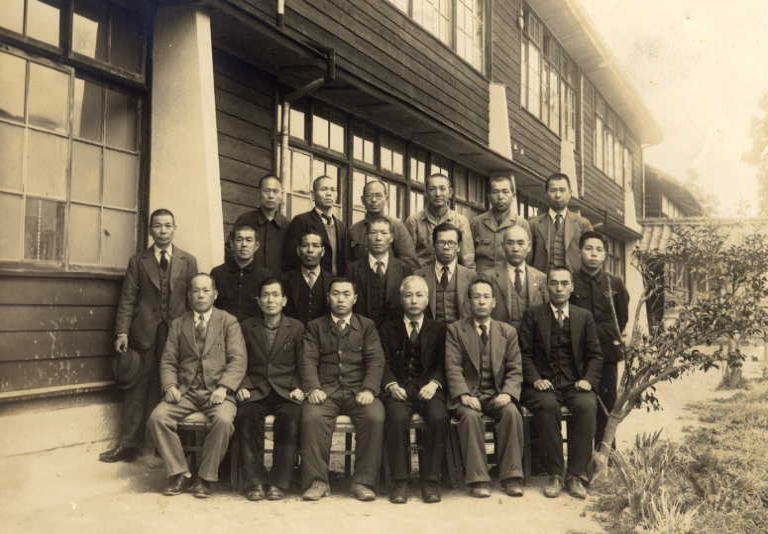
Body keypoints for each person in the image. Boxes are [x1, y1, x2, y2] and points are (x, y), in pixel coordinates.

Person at [100, 209, 198, 463]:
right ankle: (128, 445)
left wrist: (194, 332)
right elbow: (128, 298)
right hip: (143, 332)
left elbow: (193, 300)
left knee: (171, 385)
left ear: (174, 228)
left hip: (175, 333)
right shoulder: (138, 261)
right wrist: (122, 332)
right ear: (151, 230)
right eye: (158, 226)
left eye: (167, 225)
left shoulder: (188, 261)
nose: (163, 230)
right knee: (137, 386)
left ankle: (164, 446)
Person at [147, 274, 246, 498]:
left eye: (205, 290)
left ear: (215, 294)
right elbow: (169, 360)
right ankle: (180, 472)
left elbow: (238, 360)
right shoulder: (178, 324)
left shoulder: (228, 321)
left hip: (217, 392)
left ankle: (205, 477)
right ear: (189, 295)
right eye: (195, 291)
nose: (200, 295)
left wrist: (223, 387)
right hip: (186, 392)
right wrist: (170, 386)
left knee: (223, 421)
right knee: (157, 418)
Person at [519, 267, 603, 499]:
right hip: (543, 384)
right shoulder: (533, 315)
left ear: (572, 287)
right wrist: (536, 379)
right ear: (546, 287)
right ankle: (555, 474)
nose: (559, 288)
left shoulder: (583, 316)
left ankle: (575, 475)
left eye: (564, 283)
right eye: (554, 283)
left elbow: (596, 355)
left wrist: (587, 380)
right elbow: (524, 354)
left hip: (575, 383)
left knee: (587, 405)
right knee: (547, 407)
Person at [299, 278, 386, 502]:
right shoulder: (315, 326)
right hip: (326, 391)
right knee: (312, 417)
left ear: (354, 299)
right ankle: (317, 482)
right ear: (328, 298)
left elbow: (376, 360)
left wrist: (369, 389)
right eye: (336, 294)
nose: (340, 299)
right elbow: (307, 359)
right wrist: (313, 388)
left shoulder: (367, 326)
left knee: (375, 416)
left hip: (358, 390)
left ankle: (363, 482)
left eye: (346, 294)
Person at [445, 278, 526, 498]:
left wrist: (507, 393)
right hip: (468, 396)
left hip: (497, 393)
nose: (481, 301)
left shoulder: (507, 332)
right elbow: (452, 367)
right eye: (476, 297)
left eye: (486, 297)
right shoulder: (455, 330)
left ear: (494, 302)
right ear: (468, 302)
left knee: (511, 413)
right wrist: (463, 394)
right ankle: (478, 479)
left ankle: (511, 477)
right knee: (470, 417)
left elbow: (515, 368)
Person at [379, 275, 448, 504]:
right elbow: (381, 362)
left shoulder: (439, 329)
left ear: (427, 300)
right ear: (401, 299)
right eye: (408, 295)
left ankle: (431, 481)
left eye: (419, 295)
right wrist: (391, 384)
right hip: (399, 388)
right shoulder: (387, 328)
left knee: (438, 417)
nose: (414, 300)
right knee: (396, 418)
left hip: (428, 388)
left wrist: (434, 383)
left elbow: (444, 363)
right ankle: (400, 481)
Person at [235, 278, 305, 501]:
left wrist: (299, 386)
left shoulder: (296, 328)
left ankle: (279, 482)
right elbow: (238, 360)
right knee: (246, 416)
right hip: (256, 389)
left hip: (286, 390)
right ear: (258, 300)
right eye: (265, 295)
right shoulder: (247, 326)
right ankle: (254, 482)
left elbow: (304, 362)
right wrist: (243, 385)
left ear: (284, 300)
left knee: (290, 419)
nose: (270, 300)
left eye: (275, 295)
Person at [571, 231, 629, 448]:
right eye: (588, 248)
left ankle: (604, 453)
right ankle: (582, 454)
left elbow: (621, 318)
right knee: (581, 403)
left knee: (607, 403)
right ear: (580, 252)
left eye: (598, 250)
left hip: (606, 354)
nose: (593, 254)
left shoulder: (614, 284)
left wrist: (604, 336)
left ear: (605, 255)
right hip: (578, 353)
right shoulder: (571, 281)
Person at [347, 216, 413, 324]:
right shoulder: (352, 270)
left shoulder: (404, 270)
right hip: (361, 330)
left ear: (391, 238)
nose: (378, 238)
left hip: (394, 331)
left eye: (384, 233)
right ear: (367, 237)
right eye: (373, 233)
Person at [405, 173, 475, 269]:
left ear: (450, 192)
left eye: (442, 189)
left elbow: (467, 260)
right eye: (432, 189)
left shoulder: (461, 221)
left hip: (452, 275)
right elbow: (408, 259)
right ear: (425, 193)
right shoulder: (414, 221)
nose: (437, 194)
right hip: (422, 275)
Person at [347, 179, 419, 270]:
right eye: (369, 196)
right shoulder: (354, 230)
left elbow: (410, 263)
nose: (374, 200)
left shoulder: (397, 226)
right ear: (363, 200)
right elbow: (348, 263)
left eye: (378, 196)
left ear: (386, 199)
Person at [528, 173, 593, 273]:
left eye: (562, 190)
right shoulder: (533, 224)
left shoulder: (583, 224)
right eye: (553, 190)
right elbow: (528, 259)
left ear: (570, 193)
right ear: (546, 194)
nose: (558, 195)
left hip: (573, 280)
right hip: (542, 280)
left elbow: (589, 256)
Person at [283, 175, 347, 275]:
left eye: (333, 190)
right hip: (311, 280)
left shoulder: (341, 226)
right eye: (324, 189)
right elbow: (291, 259)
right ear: (313, 195)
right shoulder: (301, 221)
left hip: (336, 282)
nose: (329, 193)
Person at [488, 225, 547, 331]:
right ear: (503, 246)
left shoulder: (541, 278)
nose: (515, 248)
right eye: (510, 243)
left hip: (533, 336)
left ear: (529, 246)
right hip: (501, 335)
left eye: (520, 243)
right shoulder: (489, 277)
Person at [414, 222, 475, 323]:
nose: (446, 247)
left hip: (461, 331)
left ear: (458, 247)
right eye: (441, 242)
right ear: (434, 246)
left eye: (451, 243)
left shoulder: (471, 277)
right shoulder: (419, 276)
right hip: (431, 332)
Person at [470, 175, 531, 274]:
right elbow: (468, 256)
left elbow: (527, 258)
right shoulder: (477, 222)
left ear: (513, 196)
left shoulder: (522, 224)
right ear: (489, 196)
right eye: (495, 192)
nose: (500, 196)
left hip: (509, 279)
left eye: (505, 191)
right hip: (482, 279)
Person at [210, 223, 270, 322]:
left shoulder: (265, 276)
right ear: (232, 244)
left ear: (256, 246)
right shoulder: (218, 273)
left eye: (249, 240)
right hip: (223, 328)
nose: (244, 244)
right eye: (239, 240)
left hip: (253, 329)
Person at [232, 175, 289, 277]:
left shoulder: (287, 225)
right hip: (248, 280)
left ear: (281, 195)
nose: (271, 196)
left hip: (277, 283)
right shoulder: (245, 220)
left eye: (275, 191)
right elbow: (231, 250)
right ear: (259, 193)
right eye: (267, 191)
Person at [281, 231, 332, 324]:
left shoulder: (332, 281)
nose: (310, 250)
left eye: (315, 246)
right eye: (305, 245)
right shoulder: (285, 280)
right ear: (298, 250)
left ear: (323, 251)